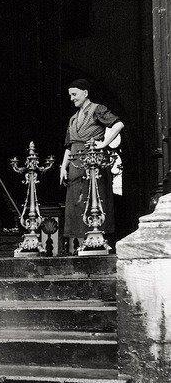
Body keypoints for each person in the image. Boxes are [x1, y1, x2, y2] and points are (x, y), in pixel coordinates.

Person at [59, 79, 124, 253]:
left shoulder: (97, 109)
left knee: (94, 198)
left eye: (74, 94)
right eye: (70, 95)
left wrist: (103, 144)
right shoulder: (73, 118)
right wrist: (62, 167)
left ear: (85, 93)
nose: (72, 98)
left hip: (92, 160)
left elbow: (118, 124)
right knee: (76, 202)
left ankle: (98, 241)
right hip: (74, 163)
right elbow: (68, 145)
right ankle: (82, 244)